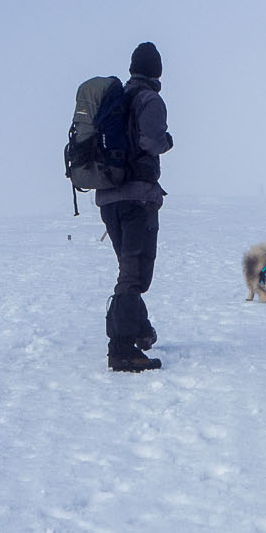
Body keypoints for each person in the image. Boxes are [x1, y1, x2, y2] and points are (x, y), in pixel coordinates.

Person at [90, 41, 174, 372]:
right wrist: (167, 141)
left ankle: (140, 330)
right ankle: (121, 348)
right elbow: (152, 142)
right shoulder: (149, 99)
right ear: (157, 71)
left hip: (109, 198)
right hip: (137, 197)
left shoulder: (116, 99)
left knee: (129, 269)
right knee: (135, 274)